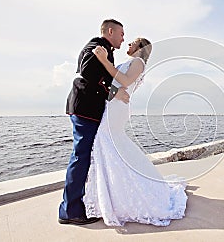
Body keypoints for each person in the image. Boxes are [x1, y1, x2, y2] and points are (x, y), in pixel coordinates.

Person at [83, 38, 188, 226]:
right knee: (112, 145)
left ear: (141, 48)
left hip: (116, 109)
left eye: (132, 43)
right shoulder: (130, 62)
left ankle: (120, 194)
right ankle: (114, 193)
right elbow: (115, 83)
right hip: (113, 105)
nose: (128, 44)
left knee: (106, 141)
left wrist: (104, 60)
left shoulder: (138, 62)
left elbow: (124, 80)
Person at [59, 19, 130, 225]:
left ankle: (77, 205)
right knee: (80, 158)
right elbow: (88, 73)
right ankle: (70, 211)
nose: (123, 38)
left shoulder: (105, 49)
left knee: (84, 158)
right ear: (110, 31)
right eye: (121, 33)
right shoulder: (97, 47)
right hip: (84, 110)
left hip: (88, 110)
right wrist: (115, 92)